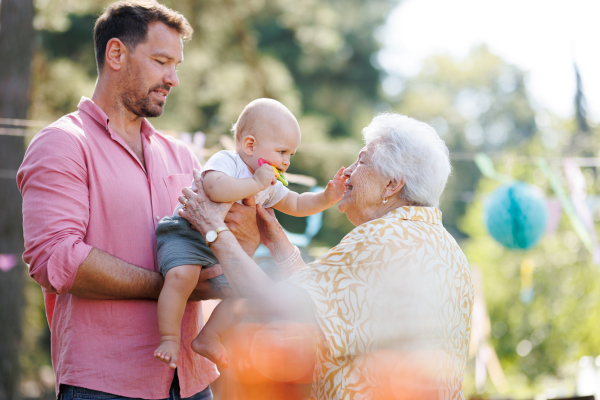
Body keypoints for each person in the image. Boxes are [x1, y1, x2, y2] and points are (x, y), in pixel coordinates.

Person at [17, 2, 260, 399]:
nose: (173, 78)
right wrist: (168, 286)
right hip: (105, 385)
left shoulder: (183, 156)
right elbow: (56, 258)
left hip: (194, 382)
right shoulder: (62, 144)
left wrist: (244, 245)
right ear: (116, 54)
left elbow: (218, 248)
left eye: (176, 65)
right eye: (162, 61)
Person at [179, 113, 475, 399]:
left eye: (361, 161)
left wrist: (213, 228)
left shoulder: (382, 239)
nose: (346, 171)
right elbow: (319, 306)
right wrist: (279, 241)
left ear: (392, 185)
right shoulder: (446, 246)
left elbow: (275, 306)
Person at [153, 98, 346, 370]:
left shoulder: (268, 182)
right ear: (250, 145)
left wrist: (327, 198)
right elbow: (215, 188)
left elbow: (297, 203)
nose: (287, 162)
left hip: (216, 249)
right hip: (186, 234)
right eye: (282, 152)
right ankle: (169, 338)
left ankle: (209, 336)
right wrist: (254, 183)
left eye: (291, 155)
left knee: (243, 293)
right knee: (182, 276)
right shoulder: (228, 162)